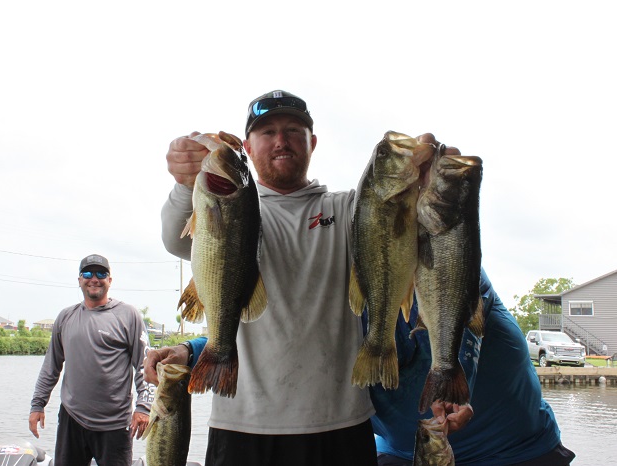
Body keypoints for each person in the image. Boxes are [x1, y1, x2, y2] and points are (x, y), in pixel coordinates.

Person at [146, 90, 378, 466]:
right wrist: (185, 183)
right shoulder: (231, 205)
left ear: (312, 143)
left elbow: (395, 225)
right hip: (241, 425)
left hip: (340, 423)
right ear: (249, 148)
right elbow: (175, 238)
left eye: (293, 130)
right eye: (267, 132)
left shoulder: (346, 209)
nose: (280, 140)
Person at [372, 268, 576, 465]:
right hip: (402, 453)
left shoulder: (449, 259)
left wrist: (453, 390)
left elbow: (465, 300)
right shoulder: (354, 291)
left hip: (517, 452)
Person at [29, 254, 152, 466]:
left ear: (110, 280)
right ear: (79, 280)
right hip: (72, 419)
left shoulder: (128, 315)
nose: (94, 279)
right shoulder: (65, 317)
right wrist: (37, 405)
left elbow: (145, 366)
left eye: (101, 274)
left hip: (115, 424)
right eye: (87, 273)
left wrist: (144, 407)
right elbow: (51, 367)